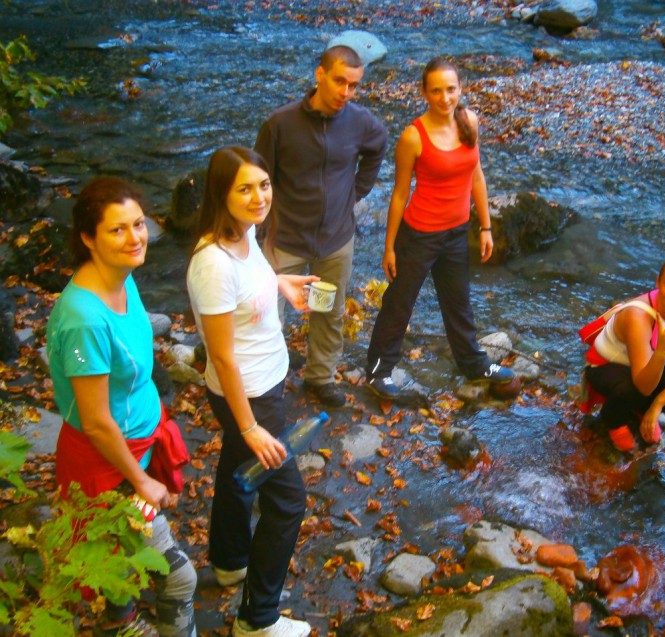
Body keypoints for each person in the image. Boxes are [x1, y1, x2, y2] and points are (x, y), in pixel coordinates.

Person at [46, 177, 196, 637]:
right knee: (180, 578)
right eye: (117, 229)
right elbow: (95, 421)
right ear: (88, 238)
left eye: (138, 224)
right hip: (109, 465)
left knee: (119, 556)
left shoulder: (121, 277)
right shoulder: (84, 320)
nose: (135, 238)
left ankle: (120, 621)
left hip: (141, 442)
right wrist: (142, 480)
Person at [186, 146, 315, 637]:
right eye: (245, 188)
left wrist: (277, 282)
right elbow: (222, 357)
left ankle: (229, 560)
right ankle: (257, 620)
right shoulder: (213, 264)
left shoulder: (244, 234)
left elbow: (244, 287)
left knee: (234, 470)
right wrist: (250, 427)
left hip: (263, 384)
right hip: (250, 397)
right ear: (222, 193)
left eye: (264, 185)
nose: (259, 197)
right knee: (288, 502)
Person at [365, 56, 516, 399]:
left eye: (450, 89)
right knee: (399, 304)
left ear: (460, 89)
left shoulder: (469, 122)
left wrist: (486, 227)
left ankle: (473, 364)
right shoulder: (413, 137)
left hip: (456, 232)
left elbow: (477, 175)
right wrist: (389, 248)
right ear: (424, 92)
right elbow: (400, 194)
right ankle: (378, 372)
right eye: (436, 91)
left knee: (458, 302)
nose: (444, 98)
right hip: (419, 235)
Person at [254, 44, 388, 408]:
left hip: (335, 239)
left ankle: (320, 378)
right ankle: (265, 383)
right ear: (320, 75)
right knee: (267, 313)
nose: (346, 92)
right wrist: (260, 223)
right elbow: (258, 176)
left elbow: (378, 146)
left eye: (354, 85)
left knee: (328, 311)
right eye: (339, 81)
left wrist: (357, 191)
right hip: (285, 238)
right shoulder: (281, 124)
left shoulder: (360, 122)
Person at [583, 256, 665, 452]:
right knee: (632, 389)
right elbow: (643, 386)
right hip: (606, 367)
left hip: (645, 368)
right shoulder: (638, 315)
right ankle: (613, 420)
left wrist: (657, 406)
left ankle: (643, 410)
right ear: (658, 282)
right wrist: (662, 350)